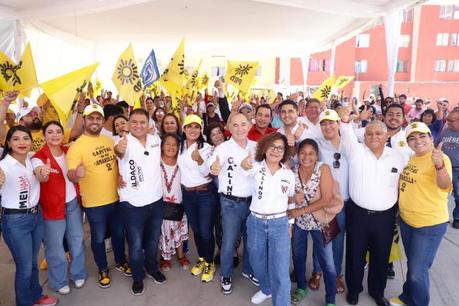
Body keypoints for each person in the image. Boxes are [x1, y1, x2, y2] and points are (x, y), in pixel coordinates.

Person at [340, 117, 405, 306]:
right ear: (364, 136)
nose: (373, 137)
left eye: (378, 133)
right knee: (355, 254)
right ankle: (354, 290)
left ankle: (377, 292)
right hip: (358, 214)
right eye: (369, 133)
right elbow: (346, 131)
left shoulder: (397, 156)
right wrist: (345, 119)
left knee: (381, 256)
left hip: (385, 217)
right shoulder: (356, 150)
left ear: (386, 136)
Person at [67, 103, 130, 289]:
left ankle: (120, 262)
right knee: (98, 238)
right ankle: (102, 268)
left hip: (116, 199)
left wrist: (119, 175)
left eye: (98, 118)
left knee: (118, 234)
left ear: (103, 121)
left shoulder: (109, 140)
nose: (95, 121)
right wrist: (75, 174)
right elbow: (71, 173)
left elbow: (120, 163)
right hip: (94, 204)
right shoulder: (76, 146)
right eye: (91, 118)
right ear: (85, 120)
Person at [390, 122, 452, 306]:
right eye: (412, 138)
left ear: (431, 138)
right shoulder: (411, 158)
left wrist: (439, 165)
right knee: (413, 265)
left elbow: (444, 185)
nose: (418, 141)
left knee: (418, 270)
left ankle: (419, 303)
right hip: (408, 221)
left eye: (422, 136)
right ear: (408, 142)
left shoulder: (439, 158)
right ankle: (407, 296)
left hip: (429, 225)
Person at [0, 126, 58, 306]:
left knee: (32, 263)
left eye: (25, 138)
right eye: (16, 139)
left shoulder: (33, 159)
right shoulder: (3, 165)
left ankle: (36, 296)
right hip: (15, 221)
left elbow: (42, 176)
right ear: (8, 143)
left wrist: (43, 172)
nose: (21, 142)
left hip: (35, 216)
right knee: (24, 268)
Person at [115, 108, 166, 295]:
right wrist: (119, 150)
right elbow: (118, 153)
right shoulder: (122, 142)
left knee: (152, 241)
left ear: (148, 124)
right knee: (136, 245)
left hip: (156, 200)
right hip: (132, 204)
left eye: (142, 122)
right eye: (134, 122)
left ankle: (152, 268)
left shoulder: (155, 140)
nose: (138, 125)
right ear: (128, 124)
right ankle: (138, 277)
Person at [32, 121, 87, 295]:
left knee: (77, 240)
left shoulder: (68, 152)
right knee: (54, 246)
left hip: (72, 204)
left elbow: (76, 175)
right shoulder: (38, 157)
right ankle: (58, 280)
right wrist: (43, 172)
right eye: (50, 132)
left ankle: (78, 273)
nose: (55, 135)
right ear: (44, 135)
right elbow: (39, 174)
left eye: (58, 132)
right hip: (51, 208)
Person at [242, 132, 295, 306]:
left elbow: (291, 200)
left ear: (284, 152)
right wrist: (245, 163)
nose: (275, 150)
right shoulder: (255, 167)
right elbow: (245, 167)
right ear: (264, 148)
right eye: (272, 146)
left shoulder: (288, 175)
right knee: (256, 261)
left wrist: (290, 224)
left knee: (280, 271)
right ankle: (266, 289)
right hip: (256, 222)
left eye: (280, 148)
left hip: (279, 223)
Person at [208, 113, 257, 295]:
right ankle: (226, 275)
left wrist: (248, 168)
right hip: (230, 203)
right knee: (228, 242)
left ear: (249, 126)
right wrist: (213, 167)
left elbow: (262, 169)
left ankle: (249, 270)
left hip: (253, 202)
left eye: (243, 124)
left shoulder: (256, 146)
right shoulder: (223, 147)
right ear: (228, 128)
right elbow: (212, 163)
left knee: (251, 241)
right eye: (235, 125)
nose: (239, 129)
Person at [287, 138, 338, 306]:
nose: (306, 157)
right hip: (300, 224)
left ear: (317, 155)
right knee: (298, 256)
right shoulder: (292, 171)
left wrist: (299, 210)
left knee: (327, 262)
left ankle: (330, 299)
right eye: (302, 153)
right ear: (298, 154)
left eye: (311, 153)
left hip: (320, 223)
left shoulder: (322, 169)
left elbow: (327, 199)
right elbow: (286, 197)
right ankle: (301, 287)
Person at [310, 109, 350, 294]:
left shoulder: (350, 144)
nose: (327, 126)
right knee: (321, 237)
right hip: (324, 201)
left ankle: (336, 276)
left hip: (344, 201)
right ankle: (317, 272)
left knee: (338, 238)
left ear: (338, 124)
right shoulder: (317, 145)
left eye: (331, 122)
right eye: (323, 123)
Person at [178, 114, 216, 282]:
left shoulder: (206, 148)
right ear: (184, 129)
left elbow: (207, 173)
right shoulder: (180, 147)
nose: (193, 130)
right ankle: (202, 258)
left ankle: (210, 262)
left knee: (206, 231)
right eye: (189, 126)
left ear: (201, 130)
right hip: (187, 195)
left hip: (204, 194)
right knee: (197, 231)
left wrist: (200, 160)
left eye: (197, 127)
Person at [159, 133, 190, 271]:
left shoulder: (182, 161)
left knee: (179, 230)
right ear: (162, 146)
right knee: (164, 232)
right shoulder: (156, 161)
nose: (171, 147)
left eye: (174, 145)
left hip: (178, 202)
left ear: (179, 147)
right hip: (162, 203)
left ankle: (181, 255)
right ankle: (165, 257)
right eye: (167, 144)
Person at [437, 107, 459, 228]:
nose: (448, 122)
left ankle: (457, 217)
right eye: (448, 119)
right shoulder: (445, 131)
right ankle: (442, 216)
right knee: (441, 193)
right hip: (443, 168)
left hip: (457, 169)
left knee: (458, 195)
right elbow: (437, 145)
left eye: (451, 120)